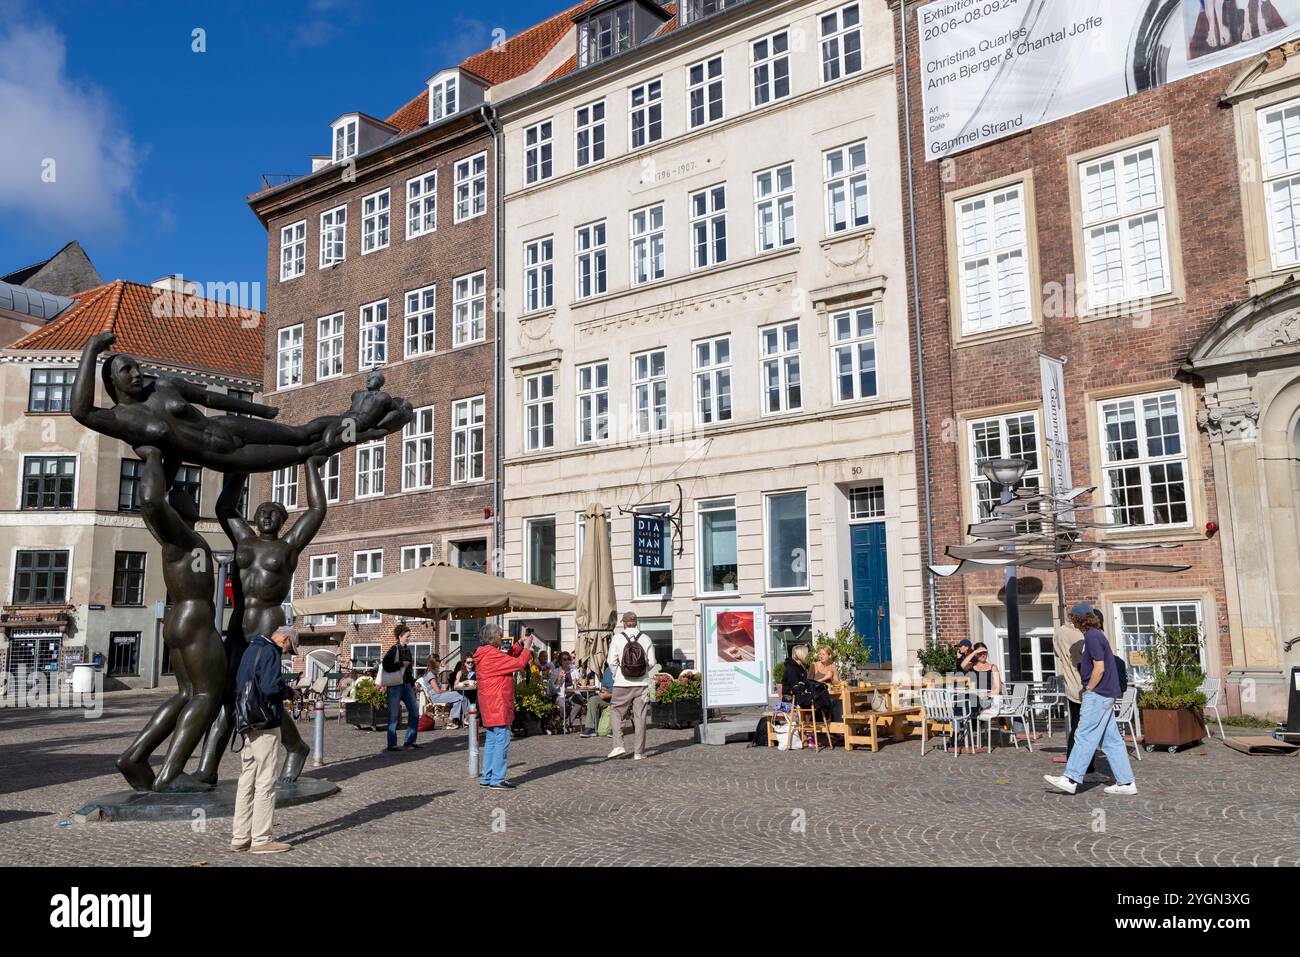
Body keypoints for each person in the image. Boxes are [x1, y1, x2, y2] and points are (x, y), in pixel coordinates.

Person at [1044, 604, 1137, 796]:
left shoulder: (1092, 637)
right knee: (1111, 740)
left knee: (1084, 735)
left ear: (1078, 620)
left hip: (1098, 694)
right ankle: (1126, 782)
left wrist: (1089, 688)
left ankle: (1071, 778)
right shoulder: (1097, 635)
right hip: (1106, 694)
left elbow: (1099, 667)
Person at [231, 626, 298, 854]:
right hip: (265, 722)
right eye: (290, 648)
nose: (288, 652)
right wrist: (289, 692)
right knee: (266, 780)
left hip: (246, 721)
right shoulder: (270, 652)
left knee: (246, 779)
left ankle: (240, 836)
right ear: (285, 639)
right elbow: (270, 687)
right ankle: (261, 839)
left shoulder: (251, 649)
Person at [472, 623, 532, 789]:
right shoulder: (493, 655)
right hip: (498, 702)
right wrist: (527, 648)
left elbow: (507, 658)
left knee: (491, 739)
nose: (501, 637)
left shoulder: (485, 653)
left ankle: (487, 776)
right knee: (501, 740)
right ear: (493, 637)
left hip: (488, 702)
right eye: (499, 634)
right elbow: (518, 663)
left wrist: (519, 644)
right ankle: (497, 778)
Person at [1050, 606, 1099, 772]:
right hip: (1086, 684)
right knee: (1087, 728)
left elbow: (1057, 654)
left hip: (1070, 685)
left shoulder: (1059, 633)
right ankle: (1086, 765)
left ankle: (1074, 760)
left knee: (1077, 725)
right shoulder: (1082, 634)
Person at [607, 612, 656, 760]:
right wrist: (642, 672)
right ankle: (638, 752)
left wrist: (618, 675)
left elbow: (611, 661)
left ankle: (618, 745)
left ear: (624, 623)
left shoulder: (617, 638)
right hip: (641, 684)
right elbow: (652, 662)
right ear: (636, 622)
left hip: (622, 683)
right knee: (640, 717)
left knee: (616, 712)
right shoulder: (646, 638)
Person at [380, 624, 419, 752]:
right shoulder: (394, 649)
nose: (409, 638)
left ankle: (409, 741)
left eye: (410, 636)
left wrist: (412, 685)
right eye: (407, 636)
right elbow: (386, 665)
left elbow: (409, 670)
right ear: (400, 636)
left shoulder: (407, 650)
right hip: (395, 686)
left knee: (414, 713)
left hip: (407, 685)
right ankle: (392, 744)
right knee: (393, 716)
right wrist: (400, 665)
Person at [418, 655, 466, 730]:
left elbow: (440, 689)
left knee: (458, 699)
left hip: (438, 695)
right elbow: (437, 691)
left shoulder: (433, 674)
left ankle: (451, 721)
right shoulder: (430, 675)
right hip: (436, 697)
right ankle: (466, 718)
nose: (440, 662)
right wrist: (449, 691)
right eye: (439, 661)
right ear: (434, 663)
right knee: (460, 695)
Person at [547, 652, 583, 732]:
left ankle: (566, 723)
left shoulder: (574, 670)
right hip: (559, 694)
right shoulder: (556, 671)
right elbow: (553, 687)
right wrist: (559, 678)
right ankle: (566, 724)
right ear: (560, 661)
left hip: (572, 693)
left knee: (579, 703)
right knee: (563, 705)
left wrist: (578, 682)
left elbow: (579, 683)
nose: (567, 661)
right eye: (564, 659)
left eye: (568, 659)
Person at [580, 664, 615, 738]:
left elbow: (623, 691)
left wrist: (609, 695)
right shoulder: (607, 670)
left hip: (618, 697)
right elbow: (604, 686)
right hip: (607, 697)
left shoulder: (622, 670)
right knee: (592, 700)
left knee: (616, 702)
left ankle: (614, 729)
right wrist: (603, 691)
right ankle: (590, 728)